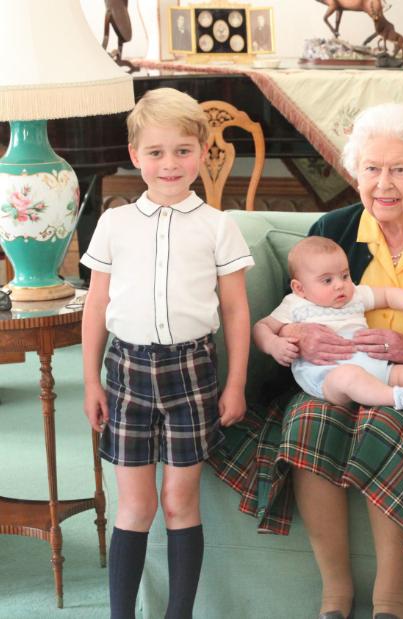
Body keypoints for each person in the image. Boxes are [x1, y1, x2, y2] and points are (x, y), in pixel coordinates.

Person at [208, 103, 403, 619]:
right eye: (372, 169)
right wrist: (295, 333)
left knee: (388, 423)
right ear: (357, 173)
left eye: (399, 169)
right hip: (329, 378)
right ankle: (335, 591)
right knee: (308, 422)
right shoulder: (333, 228)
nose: (384, 184)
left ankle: (391, 594)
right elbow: (294, 309)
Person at [80, 87, 253, 619]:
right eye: (155, 152)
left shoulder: (218, 226)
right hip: (126, 375)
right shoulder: (114, 224)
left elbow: (236, 313)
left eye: (182, 150)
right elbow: (96, 307)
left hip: (191, 374)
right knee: (136, 504)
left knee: (179, 502)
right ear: (136, 157)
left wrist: (236, 382)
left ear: (202, 154)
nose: (170, 163)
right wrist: (90, 381)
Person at [254, 236, 403, 443]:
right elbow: (261, 327)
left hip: (375, 367)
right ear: (299, 288)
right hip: (329, 377)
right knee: (350, 376)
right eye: (327, 280)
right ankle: (396, 397)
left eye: (345, 275)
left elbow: (388, 295)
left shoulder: (355, 296)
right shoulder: (295, 304)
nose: (340, 285)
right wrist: (274, 344)